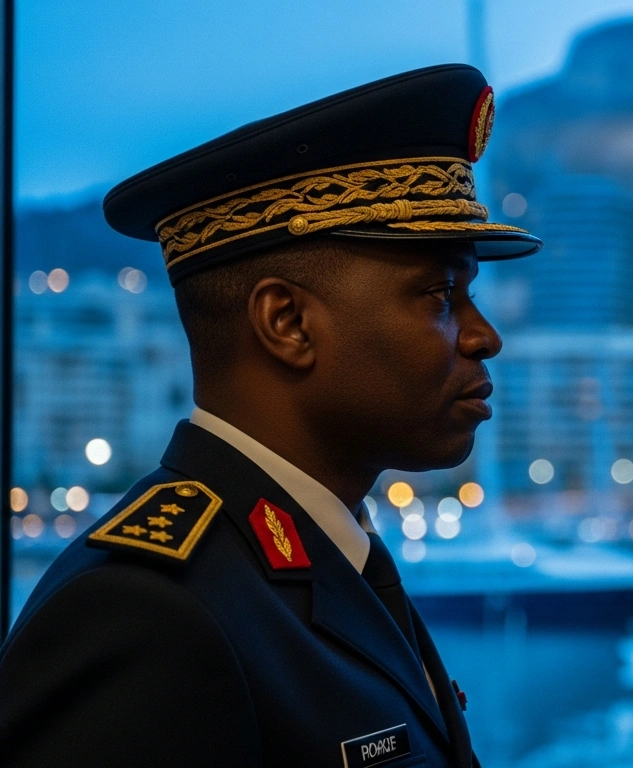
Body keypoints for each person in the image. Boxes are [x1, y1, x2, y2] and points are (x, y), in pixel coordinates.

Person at [0, 64, 541, 767]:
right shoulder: (147, 615)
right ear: (287, 322)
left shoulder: (315, 564)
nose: (483, 335)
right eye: (440, 294)